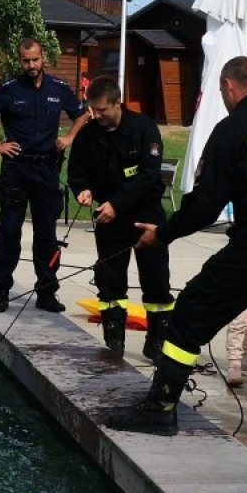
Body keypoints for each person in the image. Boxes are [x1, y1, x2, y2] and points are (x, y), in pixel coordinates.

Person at [106, 57, 247, 477]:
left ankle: (160, 407)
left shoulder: (231, 129)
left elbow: (205, 203)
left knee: (190, 312)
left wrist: (163, 233)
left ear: (229, 87)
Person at [0, 37, 90, 313]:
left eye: (35, 59)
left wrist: (70, 137)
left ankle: (47, 292)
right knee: (9, 233)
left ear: (43, 58)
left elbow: (82, 114)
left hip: (47, 171)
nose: (31, 65)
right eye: (26, 61)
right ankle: (1, 290)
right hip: (16, 169)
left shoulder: (59, 88)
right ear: (20, 61)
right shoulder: (8, 89)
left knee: (47, 235)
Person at [67, 75, 173, 358]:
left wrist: (118, 203)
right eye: (93, 110)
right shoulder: (89, 135)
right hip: (108, 219)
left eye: (102, 110)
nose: (97, 115)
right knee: (110, 282)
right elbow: (76, 172)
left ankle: (157, 344)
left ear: (118, 103)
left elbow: (150, 176)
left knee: (157, 281)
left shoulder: (144, 128)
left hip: (145, 215)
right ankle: (114, 345)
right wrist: (83, 190)